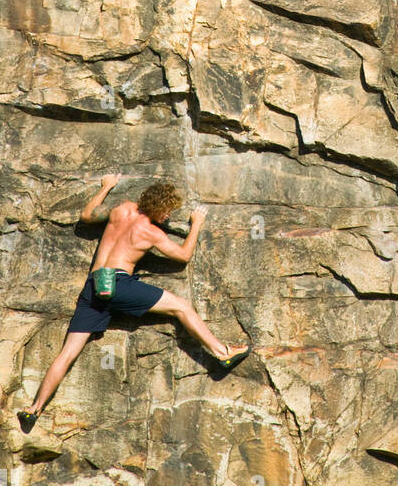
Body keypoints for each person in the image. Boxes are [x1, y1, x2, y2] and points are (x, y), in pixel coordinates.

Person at [17, 175, 249, 432]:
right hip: (118, 285)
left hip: (94, 286)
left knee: (67, 353)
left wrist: (105, 187)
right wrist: (196, 224)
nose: (168, 217)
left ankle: (34, 408)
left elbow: (87, 215)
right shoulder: (150, 232)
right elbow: (183, 255)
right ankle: (222, 352)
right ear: (159, 208)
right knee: (181, 306)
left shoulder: (121, 209)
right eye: (168, 212)